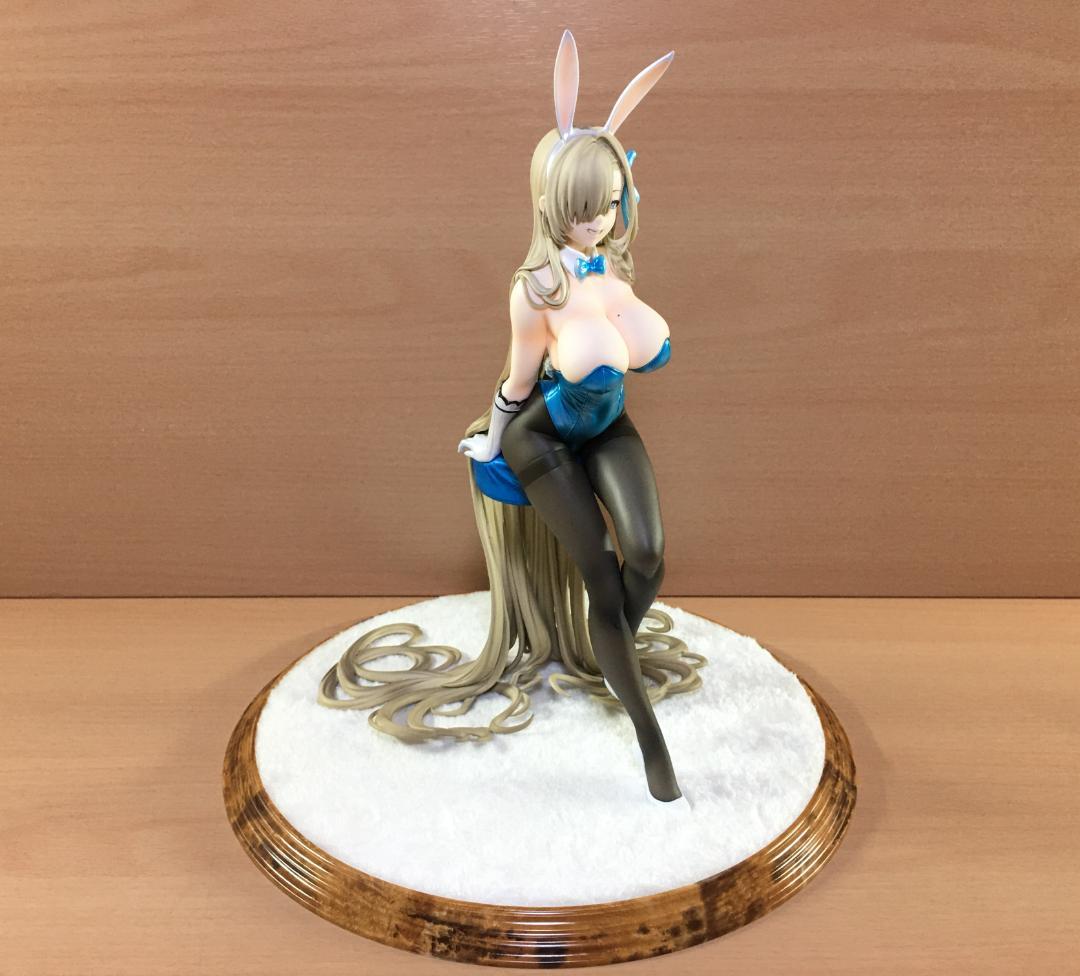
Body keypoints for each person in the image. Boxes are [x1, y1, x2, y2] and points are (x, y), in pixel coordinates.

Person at [318, 30, 705, 806]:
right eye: (582, 210)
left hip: (608, 427)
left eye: (609, 205)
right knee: (603, 572)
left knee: (650, 556)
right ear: (551, 205)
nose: (596, 222)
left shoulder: (615, 265)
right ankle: (649, 740)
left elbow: (634, 341)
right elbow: (519, 379)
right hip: (544, 437)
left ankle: (606, 648)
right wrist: (492, 440)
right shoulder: (536, 289)